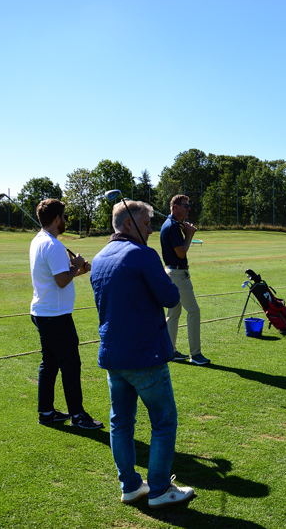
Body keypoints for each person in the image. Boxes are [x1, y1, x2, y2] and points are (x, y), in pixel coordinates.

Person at [91, 200, 196, 508]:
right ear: (128, 225)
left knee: (121, 422)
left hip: (113, 354)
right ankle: (161, 490)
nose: (151, 229)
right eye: (147, 223)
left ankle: (131, 486)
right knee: (164, 420)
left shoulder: (99, 257)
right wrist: (160, 274)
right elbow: (169, 297)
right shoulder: (143, 255)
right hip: (144, 356)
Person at [29, 198, 103, 430]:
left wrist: (78, 269)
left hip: (44, 312)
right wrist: (77, 264)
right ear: (56, 219)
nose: (66, 221)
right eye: (65, 216)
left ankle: (47, 412)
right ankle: (78, 415)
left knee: (49, 363)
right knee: (70, 363)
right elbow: (62, 280)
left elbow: (60, 277)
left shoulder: (39, 241)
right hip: (55, 315)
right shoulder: (52, 245)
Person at [160, 194, 209, 366]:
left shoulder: (172, 224)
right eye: (185, 205)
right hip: (178, 275)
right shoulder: (173, 226)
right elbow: (181, 252)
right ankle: (195, 354)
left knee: (173, 314)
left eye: (189, 205)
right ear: (175, 207)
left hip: (171, 273)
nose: (189, 208)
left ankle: (170, 351)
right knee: (193, 311)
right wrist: (188, 234)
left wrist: (185, 230)